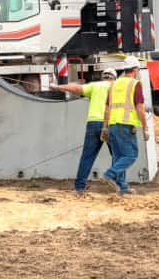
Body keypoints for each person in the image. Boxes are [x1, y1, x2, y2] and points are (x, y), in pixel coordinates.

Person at [54, 57, 149, 195]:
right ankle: (119, 183)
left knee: (88, 156)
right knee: (122, 156)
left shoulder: (96, 86)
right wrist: (144, 126)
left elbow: (76, 88)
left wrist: (58, 86)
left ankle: (79, 187)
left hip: (96, 123)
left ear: (103, 77)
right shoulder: (123, 85)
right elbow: (138, 106)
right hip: (115, 123)